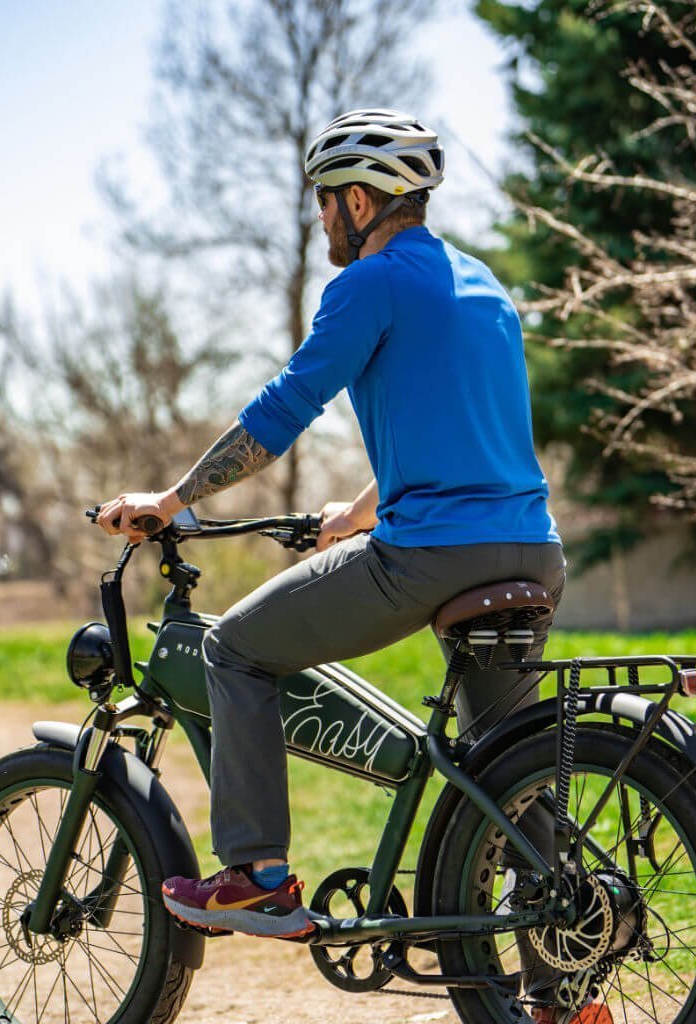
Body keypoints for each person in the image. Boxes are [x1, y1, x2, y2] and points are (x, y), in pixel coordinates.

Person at [97, 108, 566, 944]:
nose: (319, 216)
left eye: (324, 198)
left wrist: (172, 499)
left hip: (431, 558)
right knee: (509, 765)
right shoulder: (484, 288)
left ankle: (255, 876)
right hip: (532, 551)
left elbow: (283, 411)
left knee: (234, 648)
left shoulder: (368, 284)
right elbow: (465, 438)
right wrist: (354, 514)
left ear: (359, 200)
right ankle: (557, 984)